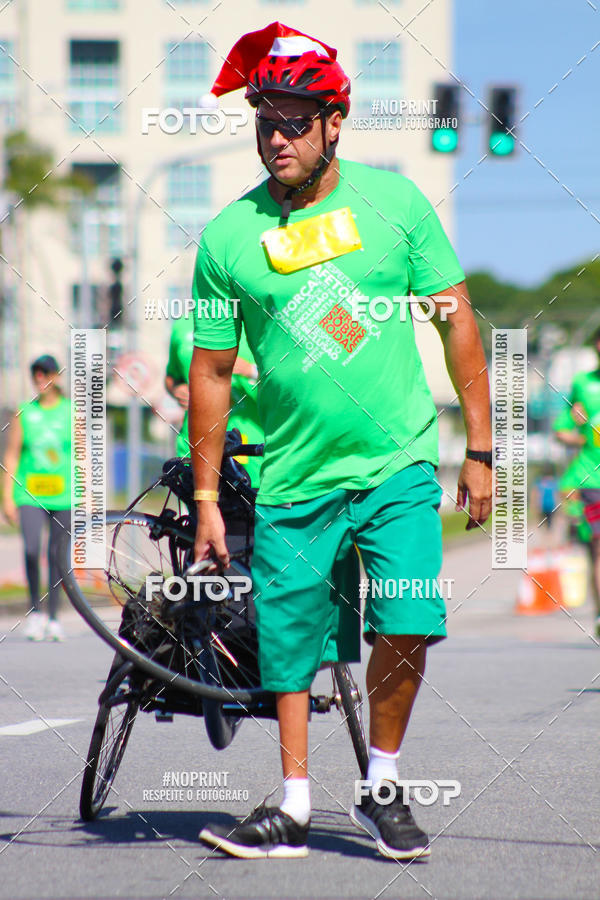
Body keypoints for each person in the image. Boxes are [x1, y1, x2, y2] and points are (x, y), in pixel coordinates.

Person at [189, 23, 492, 860]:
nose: (276, 137)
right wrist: (210, 498)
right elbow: (213, 372)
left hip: (396, 462)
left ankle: (381, 784)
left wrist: (480, 451)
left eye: (294, 121)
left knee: (408, 618)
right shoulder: (226, 239)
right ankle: (291, 805)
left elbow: (457, 323)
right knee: (290, 644)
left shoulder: (395, 206)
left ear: (334, 124)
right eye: (264, 121)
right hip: (293, 474)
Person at [2, 355, 71, 641]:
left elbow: (82, 454)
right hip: (29, 493)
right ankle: (36, 611)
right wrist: (7, 495)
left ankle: (54, 617)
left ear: (56, 377)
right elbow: (12, 454)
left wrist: (88, 494)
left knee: (58, 556)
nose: (41, 380)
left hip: (64, 495)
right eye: (36, 375)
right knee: (32, 549)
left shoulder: (71, 411)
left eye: (46, 374)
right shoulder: (23, 412)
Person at [165, 314, 263, 486]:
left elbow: (293, 385)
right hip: (195, 445)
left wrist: (250, 370)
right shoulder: (183, 325)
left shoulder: (255, 318)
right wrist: (177, 389)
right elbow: (172, 377)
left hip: (249, 450)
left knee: (248, 511)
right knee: (200, 509)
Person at [554, 327, 600, 636]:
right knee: (598, 548)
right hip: (591, 481)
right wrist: (581, 434)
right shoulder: (583, 384)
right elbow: (562, 430)